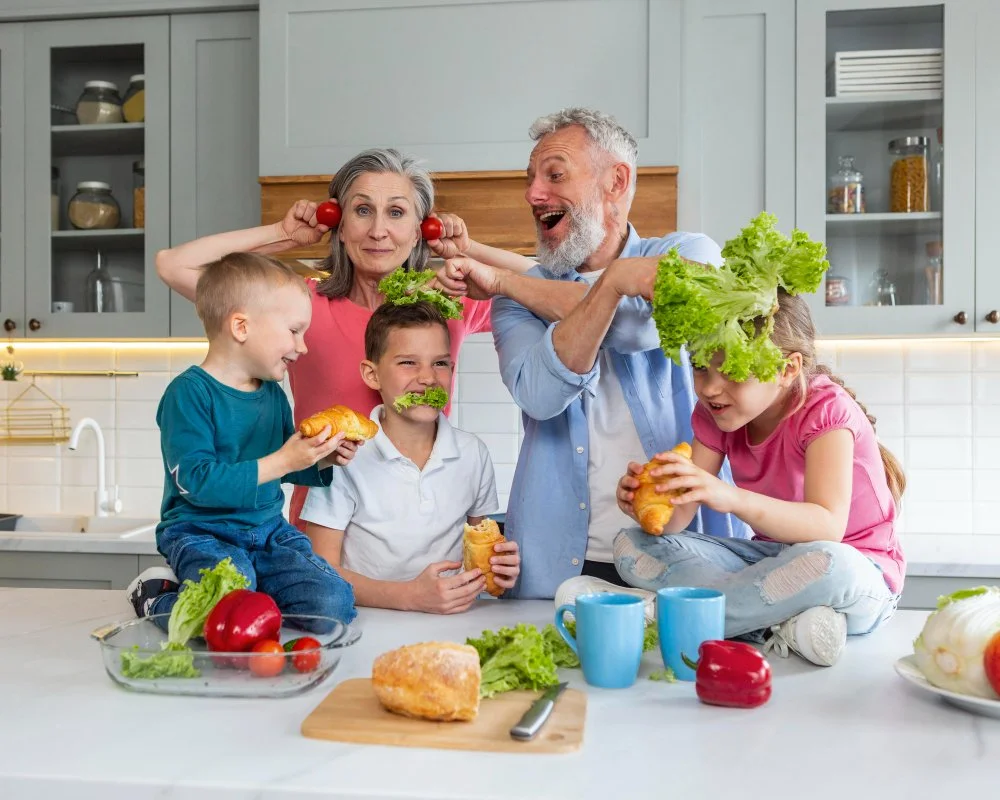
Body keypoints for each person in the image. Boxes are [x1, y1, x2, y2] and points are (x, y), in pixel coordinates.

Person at [437, 107, 748, 598]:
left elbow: (635, 331)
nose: (533, 193)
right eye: (531, 179)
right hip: (555, 565)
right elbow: (539, 396)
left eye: (554, 174)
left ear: (615, 182)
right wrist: (615, 285)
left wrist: (512, 281)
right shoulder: (515, 296)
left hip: (686, 553)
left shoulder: (692, 253)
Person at [154, 147, 534, 531]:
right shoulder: (299, 309)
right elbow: (173, 265)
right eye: (362, 210)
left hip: (418, 531)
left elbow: (560, 289)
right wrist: (282, 235)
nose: (378, 231)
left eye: (397, 212)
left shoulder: (446, 301)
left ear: (421, 228)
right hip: (320, 531)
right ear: (338, 221)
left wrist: (468, 249)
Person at [613, 290, 906, 667]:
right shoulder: (717, 413)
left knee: (830, 563)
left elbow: (826, 526)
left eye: (733, 370)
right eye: (700, 366)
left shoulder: (826, 411)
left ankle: (665, 615)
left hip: (860, 572)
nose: (709, 388)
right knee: (630, 545)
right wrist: (649, 502)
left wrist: (728, 496)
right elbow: (676, 522)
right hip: (775, 564)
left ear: (787, 369)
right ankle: (784, 626)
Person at [127, 253, 359, 629]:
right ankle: (157, 597)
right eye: (294, 331)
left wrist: (320, 458)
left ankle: (256, 595)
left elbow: (279, 465)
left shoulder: (272, 394)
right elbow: (197, 482)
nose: (303, 347)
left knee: (333, 606)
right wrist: (286, 459)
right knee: (223, 613)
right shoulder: (188, 394)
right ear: (241, 327)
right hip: (203, 533)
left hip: (269, 531)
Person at [299, 301, 521, 614]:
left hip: (454, 623)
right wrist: (409, 597)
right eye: (408, 363)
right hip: (368, 623)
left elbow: (480, 552)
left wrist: (498, 569)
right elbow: (321, 569)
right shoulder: (343, 455)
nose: (428, 378)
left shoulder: (473, 454)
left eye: (440, 363)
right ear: (372, 374)